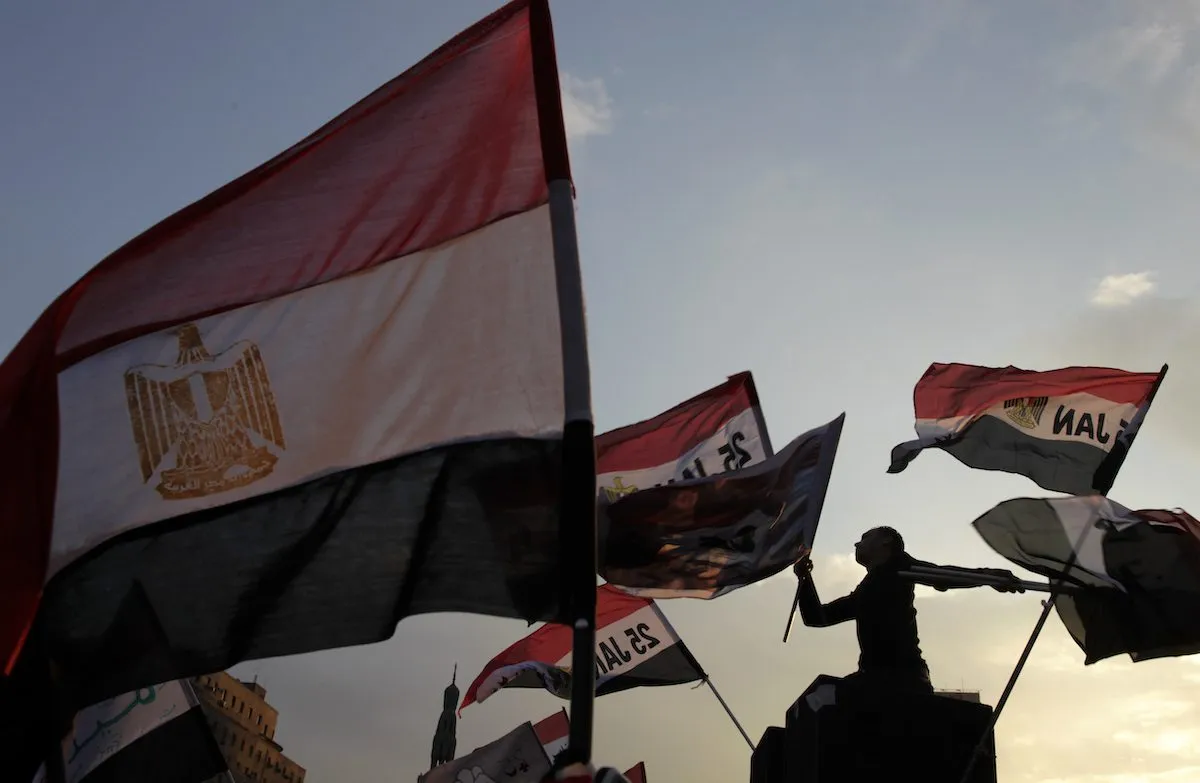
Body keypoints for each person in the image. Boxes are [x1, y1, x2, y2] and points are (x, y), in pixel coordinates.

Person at [794, 526, 1023, 694]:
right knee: (822, 699)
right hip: (874, 678)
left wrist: (989, 576)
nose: (856, 544)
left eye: (865, 538)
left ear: (886, 542)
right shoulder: (864, 593)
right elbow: (817, 617)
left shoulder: (900, 566)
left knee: (826, 697)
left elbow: (941, 576)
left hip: (904, 678)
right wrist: (804, 579)